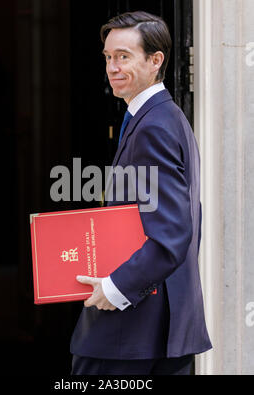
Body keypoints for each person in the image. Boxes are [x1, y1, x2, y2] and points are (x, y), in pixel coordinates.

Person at [70, 11, 212, 375]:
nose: (112, 67)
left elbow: (172, 234)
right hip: (155, 330)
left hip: (134, 332)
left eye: (123, 56)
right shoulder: (161, 116)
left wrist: (114, 289)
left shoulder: (155, 126)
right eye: (108, 57)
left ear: (155, 60)